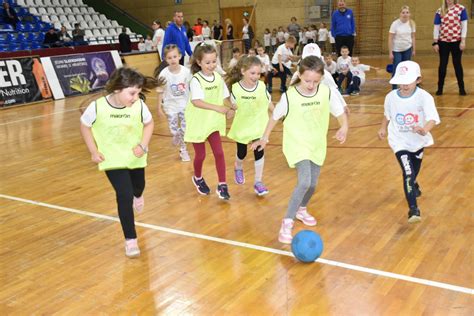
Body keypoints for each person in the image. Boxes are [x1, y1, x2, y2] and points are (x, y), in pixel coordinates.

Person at [251, 56, 348, 243]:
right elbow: (275, 117)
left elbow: (340, 113)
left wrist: (344, 127)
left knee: (312, 185)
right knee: (304, 182)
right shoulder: (290, 96)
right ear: (299, 76)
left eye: (315, 81)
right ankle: (287, 222)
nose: (311, 85)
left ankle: (302, 209)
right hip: (296, 143)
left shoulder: (326, 92)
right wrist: (264, 138)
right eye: (307, 80)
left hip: (317, 144)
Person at [80, 67, 162, 258]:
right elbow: (85, 126)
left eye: (138, 93)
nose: (135, 97)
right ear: (117, 89)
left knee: (138, 187)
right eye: (132, 93)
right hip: (112, 158)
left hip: (135, 155)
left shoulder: (139, 106)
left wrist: (143, 145)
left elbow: (149, 124)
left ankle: (138, 195)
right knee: (123, 194)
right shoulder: (97, 107)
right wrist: (93, 151)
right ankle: (130, 239)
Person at [378, 61, 440, 223]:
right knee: (408, 172)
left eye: (409, 81)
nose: (404, 85)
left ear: (418, 80)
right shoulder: (391, 97)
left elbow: (433, 118)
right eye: (401, 81)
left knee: (414, 171)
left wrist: (424, 130)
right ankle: (413, 209)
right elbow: (387, 115)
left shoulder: (424, 97)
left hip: (418, 141)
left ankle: (414, 184)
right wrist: (383, 128)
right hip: (399, 140)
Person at [184, 44, 236, 200]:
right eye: (208, 62)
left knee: (219, 153)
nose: (212, 65)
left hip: (212, 122)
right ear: (199, 62)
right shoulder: (196, 80)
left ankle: (222, 185)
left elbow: (225, 96)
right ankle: (198, 178)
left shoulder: (218, 78)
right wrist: (219, 109)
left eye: (214, 61)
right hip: (198, 122)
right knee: (201, 155)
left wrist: (232, 105)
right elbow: (197, 102)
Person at [226, 56, 274, 195]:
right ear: (243, 71)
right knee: (242, 152)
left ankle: (258, 182)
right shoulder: (236, 88)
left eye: (258, 74)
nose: (256, 77)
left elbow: (268, 103)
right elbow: (232, 107)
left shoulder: (261, 86)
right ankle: (238, 166)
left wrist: (277, 114)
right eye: (252, 73)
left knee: (259, 151)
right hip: (243, 125)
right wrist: (229, 111)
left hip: (259, 124)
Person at [155, 44, 192, 162]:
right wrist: (159, 108)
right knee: (173, 129)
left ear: (180, 56)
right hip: (170, 106)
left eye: (175, 56)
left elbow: (192, 88)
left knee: (185, 129)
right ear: (166, 59)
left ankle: (183, 148)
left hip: (184, 104)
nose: (173, 60)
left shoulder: (186, 72)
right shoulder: (164, 74)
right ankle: (183, 149)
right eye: (169, 58)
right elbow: (160, 91)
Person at [433, 0, 468, 96]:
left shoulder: (461, 9)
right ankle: (440, 88)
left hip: (456, 42)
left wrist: (463, 41)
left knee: (457, 64)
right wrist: (435, 42)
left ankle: (462, 88)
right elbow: (436, 27)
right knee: (442, 65)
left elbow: (464, 26)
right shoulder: (440, 11)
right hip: (443, 42)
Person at [388, 5, 416, 90]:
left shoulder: (412, 23)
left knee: (406, 68)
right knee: (397, 68)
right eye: (403, 12)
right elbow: (390, 38)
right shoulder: (395, 24)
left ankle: (405, 86)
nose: (405, 14)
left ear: (409, 14)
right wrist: (390, 52)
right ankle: (394, 88)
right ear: (400, 14)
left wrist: (414, 49)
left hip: (407, 48)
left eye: (407, 12)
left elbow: (413, 37)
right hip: (397, 50)